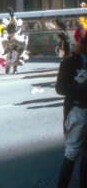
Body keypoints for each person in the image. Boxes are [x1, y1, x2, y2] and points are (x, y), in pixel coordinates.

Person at [55, 23, 87, 187]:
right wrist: (79, 85)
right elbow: (60, 89)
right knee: (72, 153)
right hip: (77, 111)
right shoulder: (69, 62)